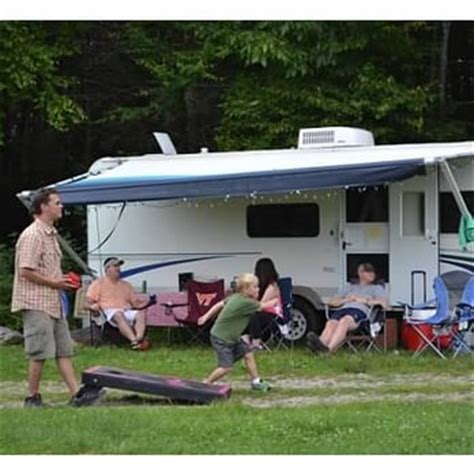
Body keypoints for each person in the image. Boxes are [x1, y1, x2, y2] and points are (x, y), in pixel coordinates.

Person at [11, 187, 105, 408]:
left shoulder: (51, 234)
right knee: (39, 351)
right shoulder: (32, 235)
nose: (61, 206)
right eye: (57, 203)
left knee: (64, 349)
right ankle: (32, 397)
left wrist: (61, 280)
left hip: (53, 301)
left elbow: (44, 269)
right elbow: (25, 270)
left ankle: (76, 395)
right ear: (44, 207)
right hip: (36, 302)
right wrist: (55, 283)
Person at [197, 273, 278, 391]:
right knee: (226, 367)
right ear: (245, 289)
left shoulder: (236, 297)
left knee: (248, 354)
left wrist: (206, 316)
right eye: (255, 287)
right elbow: (264, 306)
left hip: (232, 337)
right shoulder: (246, 303)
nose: (258, 289)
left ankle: (256, 382)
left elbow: (219, 304)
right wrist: (278, 300)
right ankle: (206, 383)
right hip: (222, 338)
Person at [307, 262, 388, 354]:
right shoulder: (349, 287)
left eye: (372, 272)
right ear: (360, 273)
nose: (372, 274)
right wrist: (345, 300)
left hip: (360, 312)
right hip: (343, 309)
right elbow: (331, 302)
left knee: (345, 321)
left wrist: (363, 300)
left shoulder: (377, 288)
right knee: (331, 323)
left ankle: (329, 349)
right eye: (368, 271)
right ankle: (319, 345)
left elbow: (384, 304)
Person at [85, 257, 151, 350]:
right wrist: (93, 306)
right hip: (107, 312)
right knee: (118, 314)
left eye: (119, 266)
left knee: (140, 313)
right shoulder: (98, 283)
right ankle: (134, 341)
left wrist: (148, 302)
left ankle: (139, 338)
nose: (118, 268)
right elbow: (87, 303)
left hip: (125, 310)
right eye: (115, 266)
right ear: (107, 269)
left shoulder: (126, 285)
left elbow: (135, 304)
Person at [245, 258, 284, 350]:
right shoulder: (261, 286)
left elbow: (259, 306)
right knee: (244, 313)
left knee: (253, 315)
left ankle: (256, 343)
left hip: (273, 317)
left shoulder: (272, 287)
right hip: (263, 315)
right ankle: (244, 341)